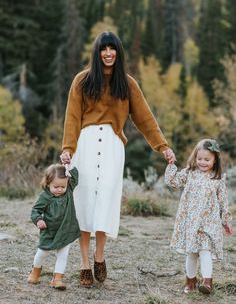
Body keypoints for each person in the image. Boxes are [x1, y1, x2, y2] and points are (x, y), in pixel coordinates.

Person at [60, 31, 176, 287]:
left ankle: (100, 256)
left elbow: (145, 118)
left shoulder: (127, 83)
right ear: (97, 52)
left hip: (113, 147)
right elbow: (72, 118)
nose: (108, 53)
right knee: (84, 203)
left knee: (105, 202)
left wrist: (162, 146)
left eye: (112, 49)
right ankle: (84, 264)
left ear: (118, 52)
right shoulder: (82, 80)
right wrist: (68, 149)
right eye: (104, 49)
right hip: (86, 146)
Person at [164, 139, 233, 295]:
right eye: (199, 158)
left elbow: (223, 201)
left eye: (207, 159)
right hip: (191, 222)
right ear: (195, 158)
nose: (202, 162)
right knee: (192, 253)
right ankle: (191, 281)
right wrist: (171, 165)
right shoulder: (189, 174)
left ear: (215, 160)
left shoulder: (217, 178)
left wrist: (226, 221)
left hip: (210, 222)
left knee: (205, 250)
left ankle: (207, 282)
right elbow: (172, 182)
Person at [28, 164, 80, 290]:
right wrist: (38, 220)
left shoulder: (68, 191)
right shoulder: (45, 196)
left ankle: (57, 278)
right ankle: (36, 271)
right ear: (48, 183)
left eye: (63, 186)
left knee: (63, 255)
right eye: (56, 186)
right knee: (42, 253)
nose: (59, 189)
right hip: (49, 231)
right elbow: (35, 210)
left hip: (66, 229)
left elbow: (75, 176)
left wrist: (68, 165)